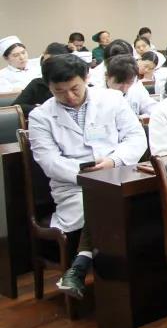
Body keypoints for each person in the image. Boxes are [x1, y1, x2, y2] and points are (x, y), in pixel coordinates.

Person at [28, 54, 147, 299]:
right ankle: (111, 287)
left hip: (117, 173)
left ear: (86, 77)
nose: (70, 97)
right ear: (48, 87)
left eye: (75, 88)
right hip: (74, 187)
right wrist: (86, 175)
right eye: (59, 92)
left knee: (138, 203)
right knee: (105, 203)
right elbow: (49, 161)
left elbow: (136, 137)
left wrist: (114, 161)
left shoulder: (112, 99)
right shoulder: (40, 117)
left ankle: (81, 266)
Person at [14, 42, 72, 117]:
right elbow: (17, 107)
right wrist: (41, 109)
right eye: (45, 63)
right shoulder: (38, 84)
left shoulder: (72, 83)